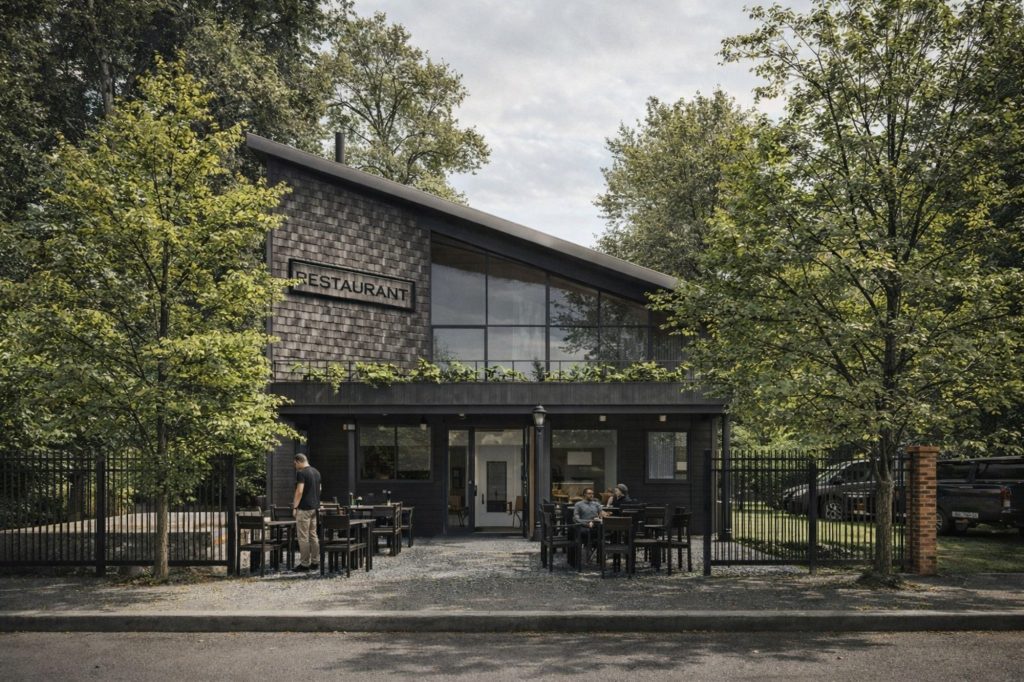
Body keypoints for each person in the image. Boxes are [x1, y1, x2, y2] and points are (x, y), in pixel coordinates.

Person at [291, 453, 321, 572]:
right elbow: (320, 489)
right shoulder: (316, 472)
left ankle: (304, 564)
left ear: (299, 461)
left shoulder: (301, 473)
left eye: (295, 463)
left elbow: (299, 491)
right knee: (313, 535)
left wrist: (295, 507)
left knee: (303, 537)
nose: (295, 466)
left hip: (304, 509)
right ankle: (315, 562)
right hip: (314, 508)